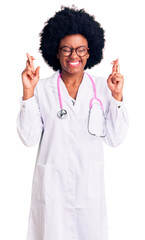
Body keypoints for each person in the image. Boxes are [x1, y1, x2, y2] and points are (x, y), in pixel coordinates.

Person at [17, 6, 128, 240]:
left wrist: (117, 96)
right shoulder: (42, 89)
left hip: (88, 193)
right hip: (52, 192)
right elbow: (28, 138)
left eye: (80, 49)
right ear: (56, 52)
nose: (73, 56)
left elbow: (115, 139)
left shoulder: (102, 87)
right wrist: (28, 91)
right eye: (66, 49)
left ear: (90, 53)